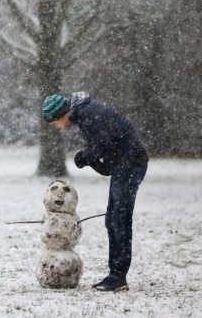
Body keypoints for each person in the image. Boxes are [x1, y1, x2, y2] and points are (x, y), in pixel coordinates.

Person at [41, 91, 149, 292]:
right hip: (123, 164)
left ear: (61, 114)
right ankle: (115, 275)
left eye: (55, 122)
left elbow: (103, 146)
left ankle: (118, 277)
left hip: (131, 163)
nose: (57, 127)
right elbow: (106, 161)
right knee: (113, 220)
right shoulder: (85, 115)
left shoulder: (88, 114)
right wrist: (89, 159)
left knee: (119, 220)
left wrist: (84, 157)